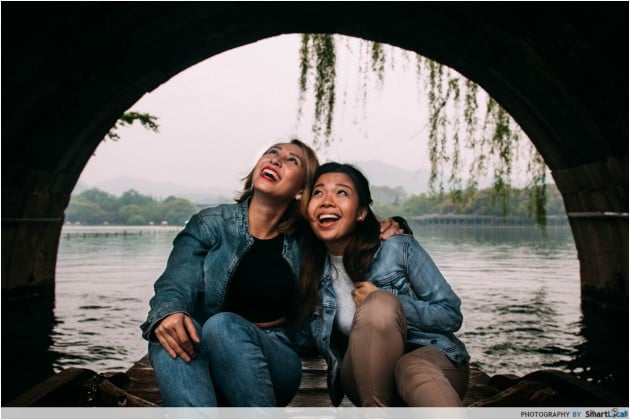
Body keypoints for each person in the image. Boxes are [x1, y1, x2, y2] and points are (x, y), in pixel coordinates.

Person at [140, 140, 404, 407]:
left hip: (274, 357)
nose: (276, 160)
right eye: (272, 153)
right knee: (167, 333)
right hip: (203, 358)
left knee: (224, 326)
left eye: (292, 160)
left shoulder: (308, 238)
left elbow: (352, 225)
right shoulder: (210, 224)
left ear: (301, 191)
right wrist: (170, 312)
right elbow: (175, 283)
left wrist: (392, 225)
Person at [298, 162, 470, 407]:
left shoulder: (397, 248)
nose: (327, 200)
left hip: (432, 359)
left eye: (341, 192)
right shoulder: (309, 271)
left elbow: (451, 315)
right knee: (377, 307)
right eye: (318, 192)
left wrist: (395, 304)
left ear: (361, 212)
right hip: (362, 374)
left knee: (408, 362)